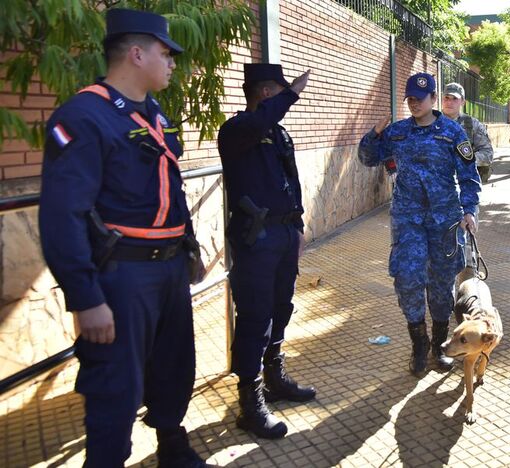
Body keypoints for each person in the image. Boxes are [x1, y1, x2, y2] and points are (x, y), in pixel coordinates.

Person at [39, 8, 207, 468]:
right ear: (136, 54)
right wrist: (85, 296)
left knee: (174, 369)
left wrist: (189, 248)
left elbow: (171, 188)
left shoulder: (155, 113)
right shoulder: (84, 115)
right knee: (116, 387)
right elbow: (61, 215)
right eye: (165, 53)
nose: (172, 63)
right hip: (122, 276)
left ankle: (173, 447)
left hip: (169, 269)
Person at [358, 72, 481, 377]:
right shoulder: (398, 132)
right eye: (410, 99)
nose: (414, 103)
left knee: (441, 286)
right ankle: (419, 343)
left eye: (419, 98)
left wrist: (470, 210)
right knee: (408, 278)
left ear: (433, 99)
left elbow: (468, 175)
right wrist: (374, 133)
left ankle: (440, 345)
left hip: (445, 220)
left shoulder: (453, 133)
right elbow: (368, 158)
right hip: (408, 218)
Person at [218, 64, 316, 439]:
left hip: (284, 234)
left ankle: (275, 378)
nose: (287, 95)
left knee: (281, 308)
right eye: (279, 89)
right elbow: (256, 126)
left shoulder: (278, 133)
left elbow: (292, 181)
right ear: (264, 93)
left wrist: (299, 226)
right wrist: (293, 93)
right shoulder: (237, 130)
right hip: (254, 238)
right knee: (255, 317)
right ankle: (249, 401)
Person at [441, 82, 494, 183]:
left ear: (463, 102)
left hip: (464, 185)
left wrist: (465, 160)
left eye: (455, 99)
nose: (449, 102)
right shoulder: (429, 122)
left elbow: (488, 153)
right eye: (446, 98)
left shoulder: (472, 124)